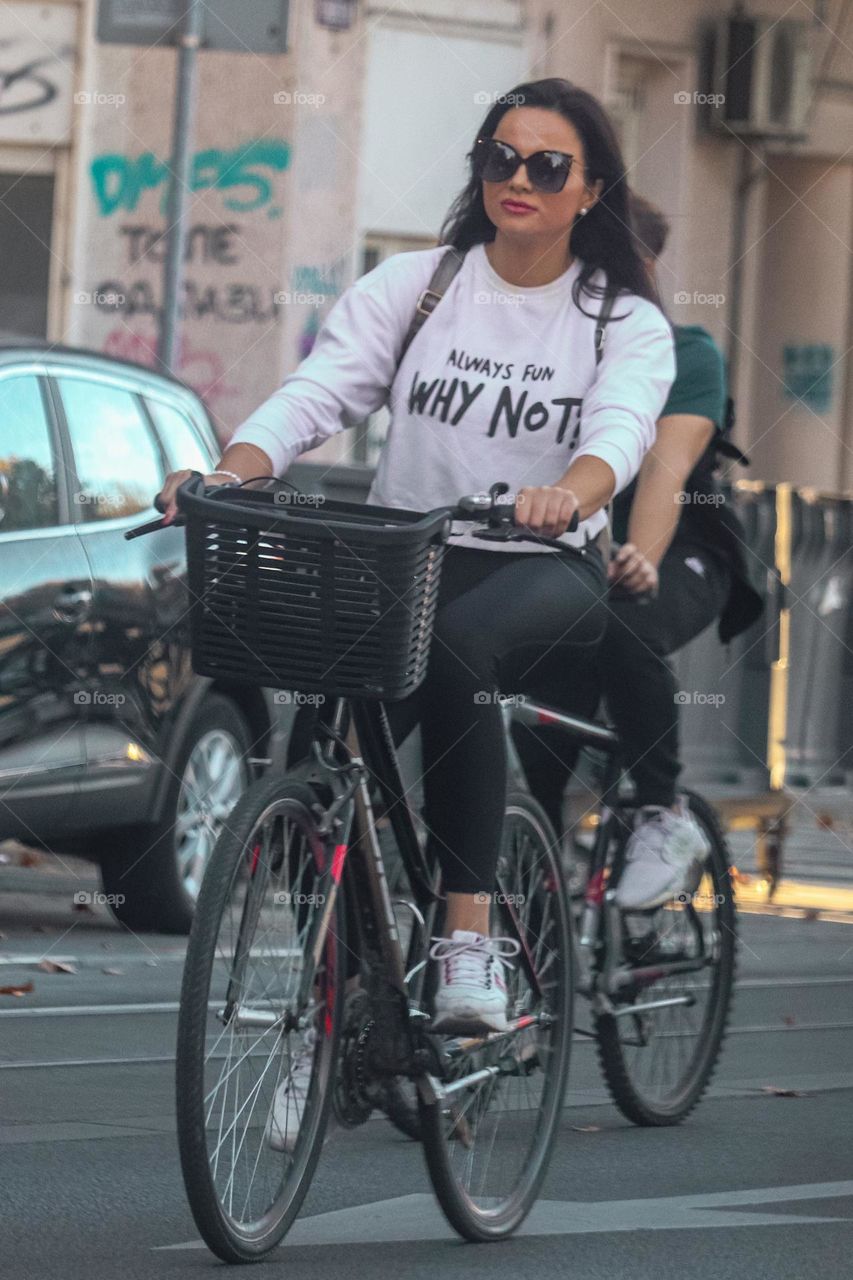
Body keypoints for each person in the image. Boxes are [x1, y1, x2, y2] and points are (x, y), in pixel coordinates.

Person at [156, 79, 675, 1039]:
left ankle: (466, 943)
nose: (518, 179)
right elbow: (319, 391)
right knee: (322, 740)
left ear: (591, 189)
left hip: (543, 561)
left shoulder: (619, 321)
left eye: (547, 165)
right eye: (499, 157)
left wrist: (574, 491)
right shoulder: (418, 284)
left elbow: (620, 428)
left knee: (459, 653)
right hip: (408, 557)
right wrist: (230, 470)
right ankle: (326, 1012)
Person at [512, 191, 763, 912]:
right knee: (541, 706)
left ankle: (661, 814)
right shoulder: (554, 344)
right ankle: (534, 857)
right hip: (569, 553)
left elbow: (663, 470)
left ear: (646, 266)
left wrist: (640, 558)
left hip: (679, 549)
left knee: (623, 622)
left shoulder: (685, 352)